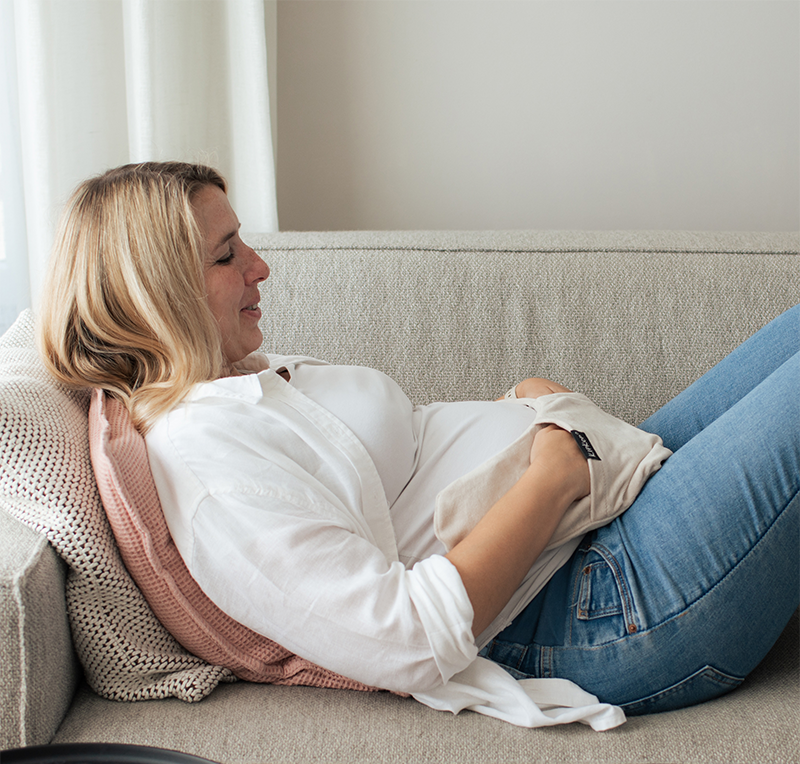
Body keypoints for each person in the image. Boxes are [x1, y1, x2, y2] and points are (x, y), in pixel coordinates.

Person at [37, 161, 800, 728]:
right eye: (227, 253)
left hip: (608, 505)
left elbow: (396, 475)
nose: (260, 267)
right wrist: (552, 475)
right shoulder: (208, 469)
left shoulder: (235, 382)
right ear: (158, 289)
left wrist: (521, 408)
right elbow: (409, 638)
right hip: (604, 601)